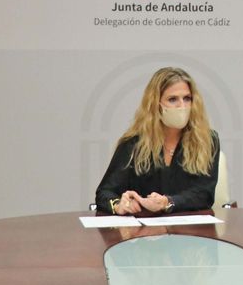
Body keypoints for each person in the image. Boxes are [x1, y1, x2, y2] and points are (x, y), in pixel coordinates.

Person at [94, 67, 220, 215]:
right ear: (155, 104)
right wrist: (119, 205)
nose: (182, 106)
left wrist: (168, 202)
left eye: (187, 98)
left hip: (190, 231)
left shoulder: (207, 140)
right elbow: (104, 192)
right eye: (173, 99)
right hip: (143, 232)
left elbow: (204, 195)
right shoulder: (133, 143)